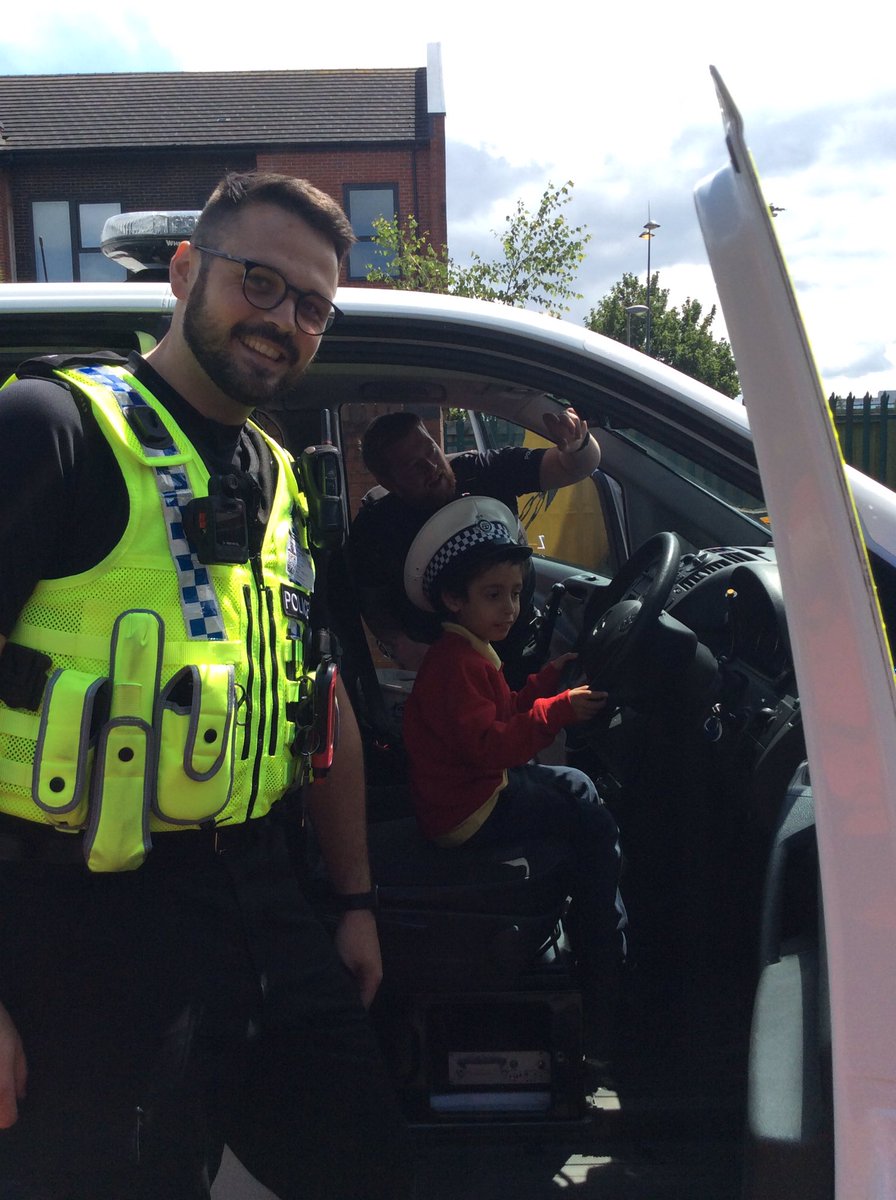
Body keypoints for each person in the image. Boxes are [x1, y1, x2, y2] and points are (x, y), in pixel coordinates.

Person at [0, 172, 413, 1199]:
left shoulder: (277, 482)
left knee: (364, 1167)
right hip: (78, 925)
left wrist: (353, 901)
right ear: (185, 272)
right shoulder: (50, 429)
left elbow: (314, 705)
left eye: (311, 305)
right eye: (259, 284)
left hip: (261, 901)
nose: (283, 322)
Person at [401, 496, 628, 1055]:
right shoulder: (457, 665)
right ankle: (605, 954)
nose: (510, 608)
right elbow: (490, 747)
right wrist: (558, 711)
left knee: (576, 793)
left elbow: (501, 715)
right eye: (493, 595)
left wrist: (544, 685)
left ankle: (587, 920)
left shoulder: (470, 652)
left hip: (471, 795)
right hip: (469, 811)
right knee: (589, 815)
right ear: (453, 599)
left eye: (517, 593)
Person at [347, 406, 602, 675]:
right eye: (413, 465)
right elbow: (372, 602)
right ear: (387, 481)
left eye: (431, 450)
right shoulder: (375, 527)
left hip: (521, 646)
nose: (431, 467)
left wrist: (577, 445)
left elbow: (571, 467)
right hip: (446, 669)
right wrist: (404, 648)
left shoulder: (484, 470)